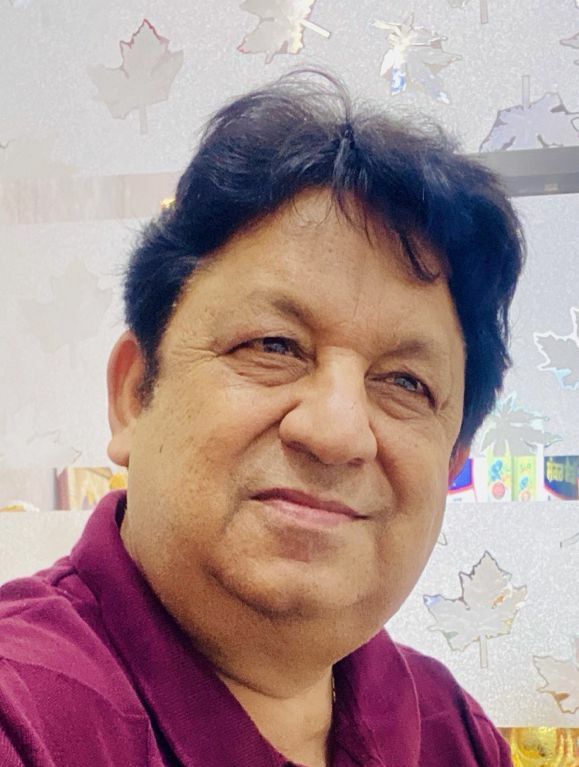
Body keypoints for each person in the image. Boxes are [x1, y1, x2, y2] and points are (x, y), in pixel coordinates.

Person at [0, 71, 524, 766]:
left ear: (452, 461)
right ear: (133, 394)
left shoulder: (452, 734)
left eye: (405, 382)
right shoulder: (25, 717)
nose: (336, 432)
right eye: (274, 346)